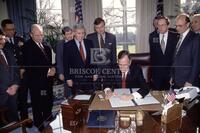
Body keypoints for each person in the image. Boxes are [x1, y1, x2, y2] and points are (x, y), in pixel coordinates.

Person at [22, 24, 55, 132]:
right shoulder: (27, 47)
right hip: (36, 82)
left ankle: (48, 116)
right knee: (38, 104)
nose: (40, 37)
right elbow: (29, 66)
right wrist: (47, 71)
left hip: (47, 81)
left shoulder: (46, 47)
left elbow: (49, 63)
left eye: (41, 35)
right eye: (37, 35)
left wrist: (53, 69)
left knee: (48, 100)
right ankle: (39, 123)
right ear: (31, 35)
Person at [1, 19, 28, 120]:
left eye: (13, 29)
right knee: (12, 103)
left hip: (22, 75)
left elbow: (26, 56)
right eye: (9, 29)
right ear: (4, 30)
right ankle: (13, 123)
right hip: (10, 79)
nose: (12, 31)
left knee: (23, 99)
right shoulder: (3, 44)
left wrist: (23, 68)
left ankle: (24, 120)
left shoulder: (20, 40)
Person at [149, 16, 179, 90]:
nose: (160, 27)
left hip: (171, 74)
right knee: (157, 97)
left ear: (168, 25)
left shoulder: (175, 36)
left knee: (170, 97)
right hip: (157, 74)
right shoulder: (152, 36)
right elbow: (152, 56)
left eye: (163, 25)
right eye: (158, 25)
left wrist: (174, 74)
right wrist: (152, 74)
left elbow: (177, 57)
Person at [63, 23, 94, 94]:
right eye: (79, 33)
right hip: (75, 79)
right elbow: (66, 64)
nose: (81, 35)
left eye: (83, 33)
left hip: (89, 79)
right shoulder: (67, 45)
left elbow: (93, 59)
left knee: (89, 100)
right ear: (74, 33)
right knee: (77, 102)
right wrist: (68, 78)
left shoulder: (89, 42)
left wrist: (94, 73)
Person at [86, 17, 117, 89]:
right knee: (96, 90)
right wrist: (92, 72)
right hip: (95, 68)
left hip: (108, 68)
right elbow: (89, 56)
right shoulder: (89, 37)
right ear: (94, 28)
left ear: (104, 26)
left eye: (102, 26)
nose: (100, 29)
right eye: (97, 27)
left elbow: (113, 55)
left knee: (108, 89)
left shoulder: (112, 37)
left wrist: (114, 70)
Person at [171, 14, 200, 88]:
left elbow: (196, 62)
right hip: (176, 81)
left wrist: (190, 81)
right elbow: (175, 59)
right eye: (176, 25)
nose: (177, 28)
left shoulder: (196, 38)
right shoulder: (177, 37)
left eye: (180, 26)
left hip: (188, 82)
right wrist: (172, 76)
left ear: (187, 24)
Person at [0, 29, 19, 125]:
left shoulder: (8, 52)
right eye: (0, 39)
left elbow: (16, 70)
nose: (3, 42)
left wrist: (15, 85)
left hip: (13, 94)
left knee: (15, 122)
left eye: (3, 39)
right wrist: (5, 89)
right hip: (1, 96)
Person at [56, 26, 73, 98]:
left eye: (70, 33)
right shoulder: (60, 44)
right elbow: (59, 59)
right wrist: (60, 73)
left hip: (77, 71)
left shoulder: (77, 41)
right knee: (68, 92)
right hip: (66, 72)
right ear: (63, 35)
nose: (70, 36)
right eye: (67, 34)